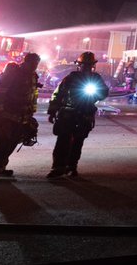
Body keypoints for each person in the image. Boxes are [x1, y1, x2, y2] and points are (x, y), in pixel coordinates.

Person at [46, 51, 108, 179]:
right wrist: (52, 111)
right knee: (62, 141)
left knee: (77, 142)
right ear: (79, 65)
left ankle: (71, 166)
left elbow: (103, 93)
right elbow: (57, 94)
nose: (86, 67)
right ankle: (57, 167)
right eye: (84, 64)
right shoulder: (70, 78)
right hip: (67, 114)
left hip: (84, 114)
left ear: (92, 65)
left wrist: (97, 93)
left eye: (88, 65)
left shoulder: (96, 78)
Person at [0, 52, 41, 181]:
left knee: (12, 142)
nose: (34, 66)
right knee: (0, 142)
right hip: (6, 115)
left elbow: (33, 95)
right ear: (25, 62)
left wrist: (31, 113)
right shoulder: (13, 74)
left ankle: (1, 167)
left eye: (36, 63)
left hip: (21, 116)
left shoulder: (33, 76)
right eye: (32, 63)